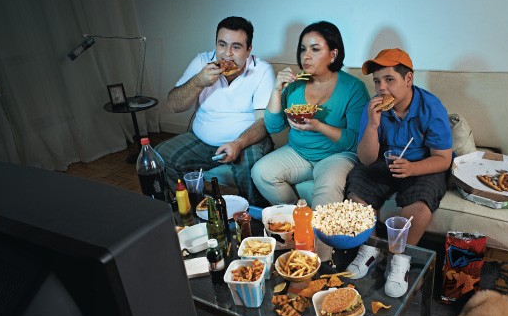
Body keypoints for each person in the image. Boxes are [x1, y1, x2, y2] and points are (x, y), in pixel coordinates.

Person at [251, 21, 369, 261]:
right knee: (261, 172)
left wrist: (318, 125)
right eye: (303, 49)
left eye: (315, 49)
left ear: (333, 53)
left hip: (337, 154)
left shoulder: (353, 88)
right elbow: (274, 126)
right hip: (298, 151)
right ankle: (301, 221)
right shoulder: (295, 83)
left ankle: (320, 260)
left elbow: (355, 140)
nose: (306, 56)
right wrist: (276, 89)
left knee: (326, 189)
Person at [157, 16, 275, 206]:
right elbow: (173, 105)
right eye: (222, 45)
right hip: (202, 140)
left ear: (249, 49)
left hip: (246, 140)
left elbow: (263, 122)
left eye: (236, 47)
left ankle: (253, 222)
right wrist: (198, 82)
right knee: (161, 158)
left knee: (250, 169)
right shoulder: (202, 61)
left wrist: (237, 143)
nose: (227, 54)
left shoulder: (262, 70)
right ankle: (195, 211)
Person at [346, 48, 452, 247]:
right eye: (377, 81)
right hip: (383, 162)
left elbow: (443, 159)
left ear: (408, 79)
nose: (382, 88)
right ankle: (370, 249)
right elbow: (366, 159)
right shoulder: (373, 108)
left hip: (422, 164)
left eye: (389, 79)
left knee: (419, 208)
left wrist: (412, 169)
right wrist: (372, 125)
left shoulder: (431, 107)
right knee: (357, 192)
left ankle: (399, 257)